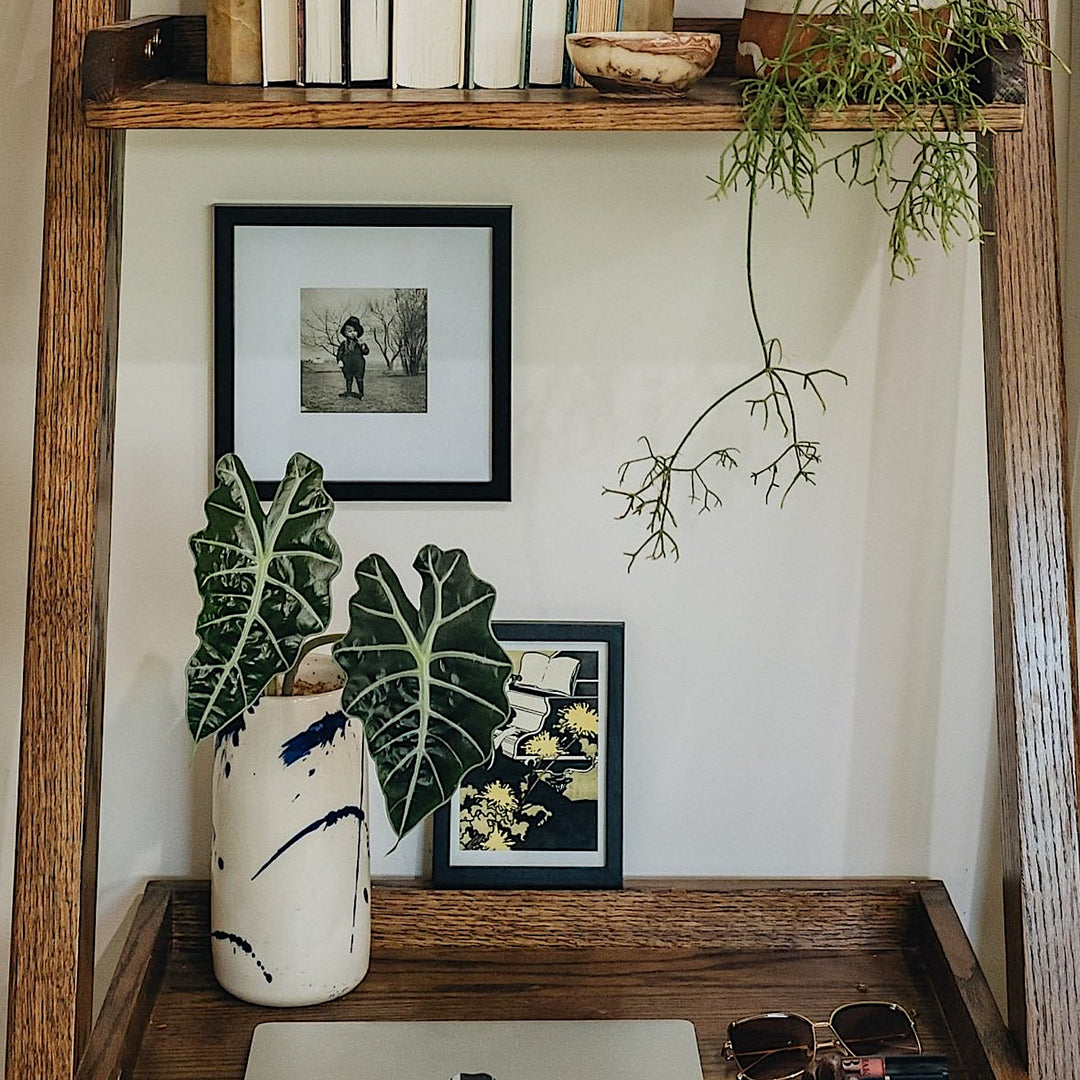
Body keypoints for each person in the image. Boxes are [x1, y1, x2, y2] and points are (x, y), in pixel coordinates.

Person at [336, 316, 370, 399]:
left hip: (358, 364)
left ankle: (361, 394)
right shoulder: (344, 344)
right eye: (350, 331)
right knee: (348, 379)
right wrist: (340, 360)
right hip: (347, 364)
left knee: (359, 379)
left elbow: (366, 352)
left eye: (355, 331)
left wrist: (363, 346)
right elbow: (339, 353)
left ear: (358, 332)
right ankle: (349, 392)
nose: (352, 333)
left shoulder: (360, 343)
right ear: (345, 333)